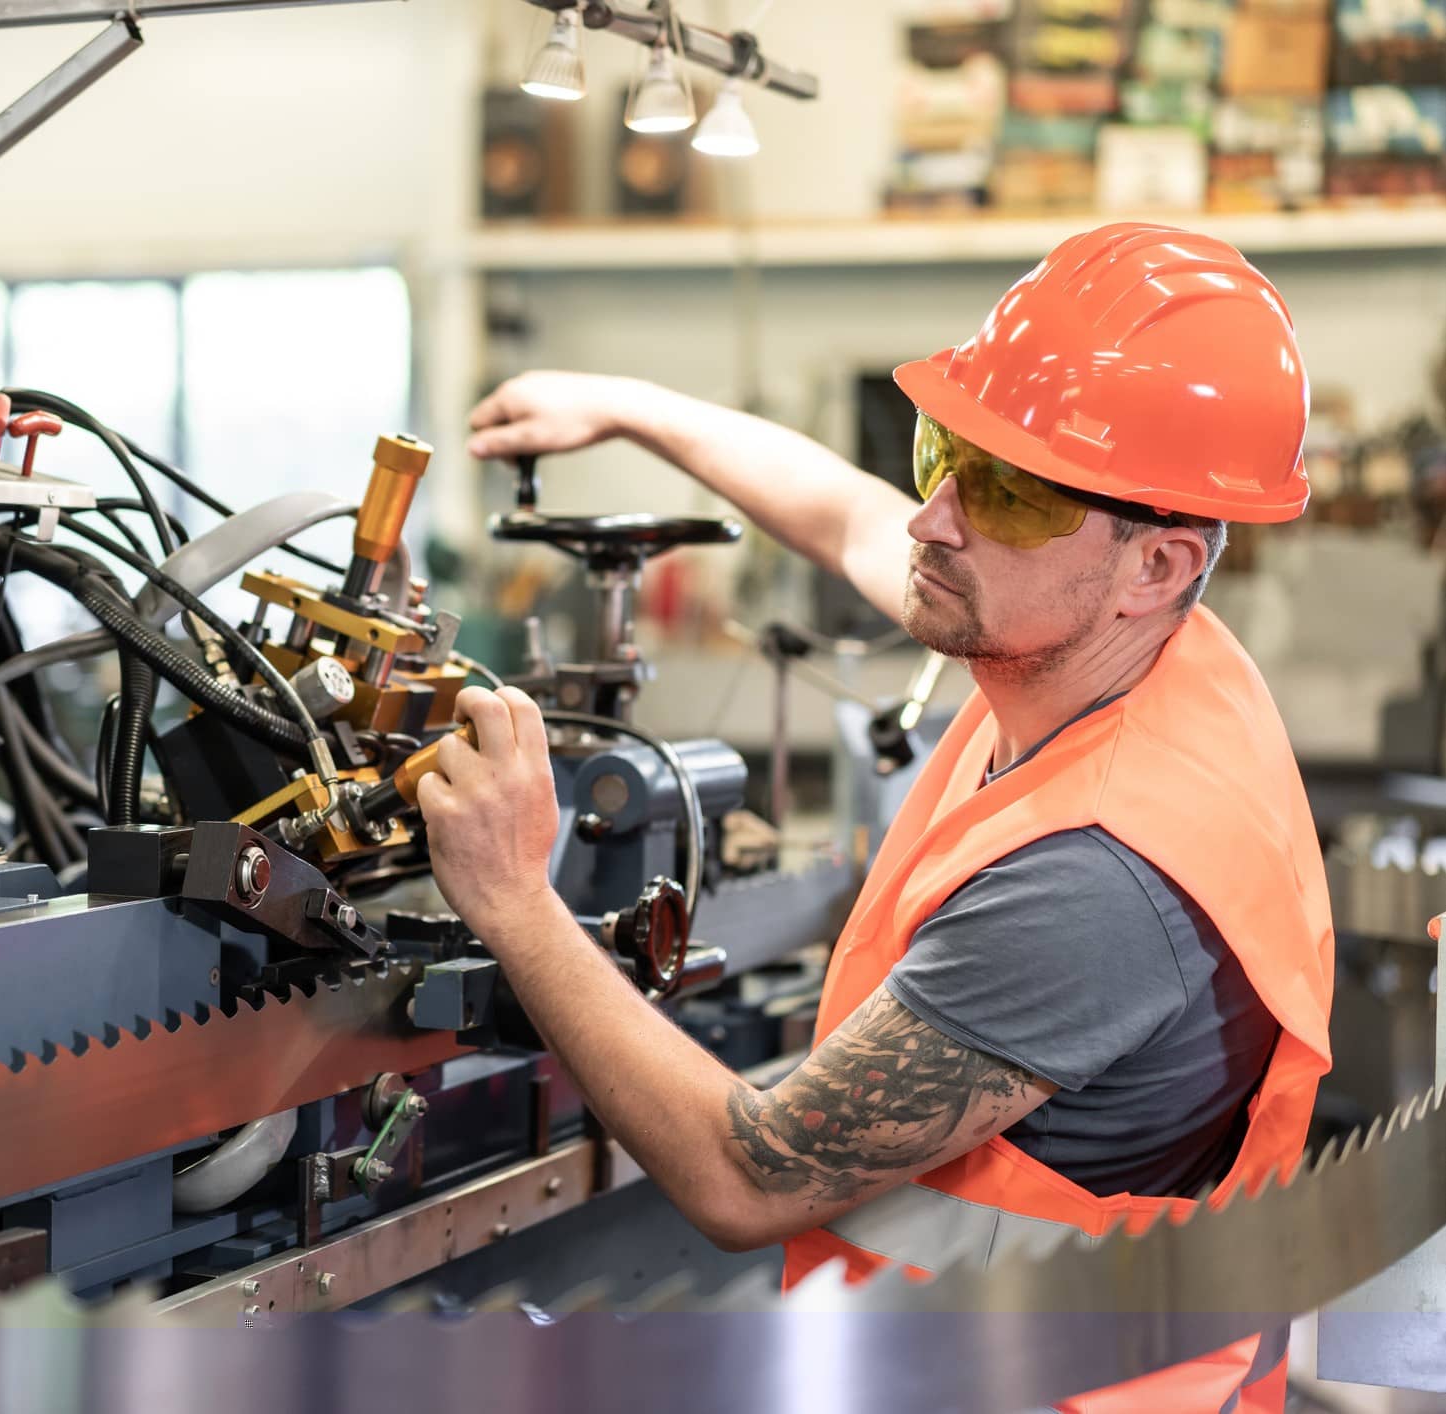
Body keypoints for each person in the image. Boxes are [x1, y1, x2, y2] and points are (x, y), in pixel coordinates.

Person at [417, 223, 1334, 1414]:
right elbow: (850, 517)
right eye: (942, 452)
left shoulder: (1101, 882)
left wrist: (509, 895)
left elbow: (746, 1178)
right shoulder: (1131, 651)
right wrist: (629, 406)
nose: (933, 519)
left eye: (1002, 492)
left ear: (1157, 563)